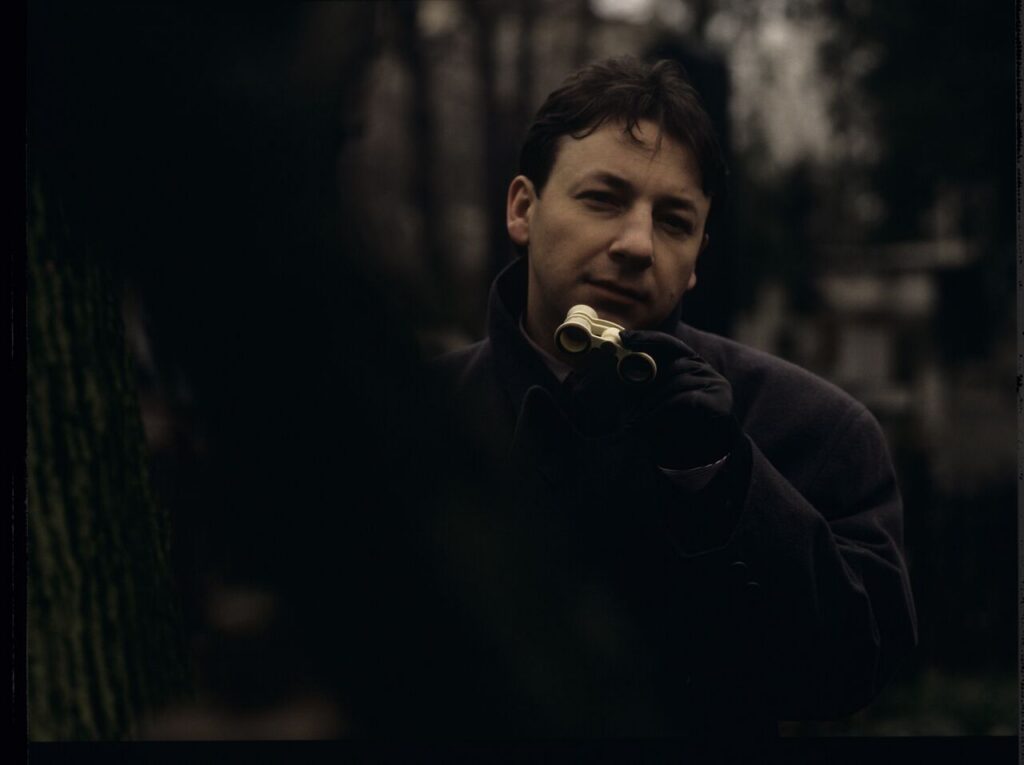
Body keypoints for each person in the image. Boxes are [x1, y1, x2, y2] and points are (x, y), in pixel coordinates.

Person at [430, 56, 917, 736]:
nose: (636, 244)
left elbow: (851, 672)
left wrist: (728, 482)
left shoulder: (816, 428)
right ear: (523, 210)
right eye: (602, 199)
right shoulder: (422, 415)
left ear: (696, 262)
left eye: (674, 221)